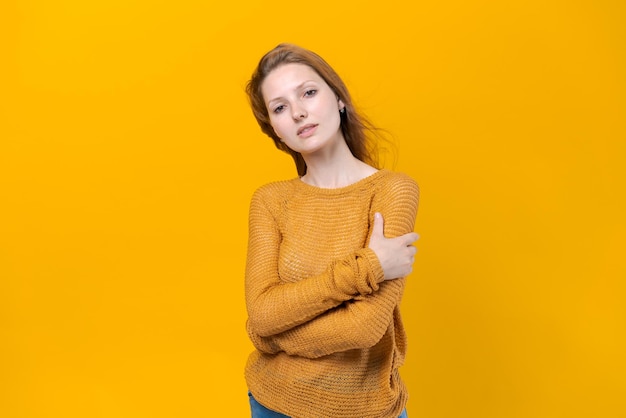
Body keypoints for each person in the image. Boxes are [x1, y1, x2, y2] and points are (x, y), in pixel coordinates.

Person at [244, 43, 420, 418]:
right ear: (274, 130)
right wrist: (369, 265)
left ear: (338, 98)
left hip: (366, 409)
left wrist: (271, 336)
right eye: (279, 107)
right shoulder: (271, 201)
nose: (298, 112)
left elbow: (363, 328)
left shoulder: (392, 191)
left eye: (308, 92)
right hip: (272, 402)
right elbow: (261, 312)